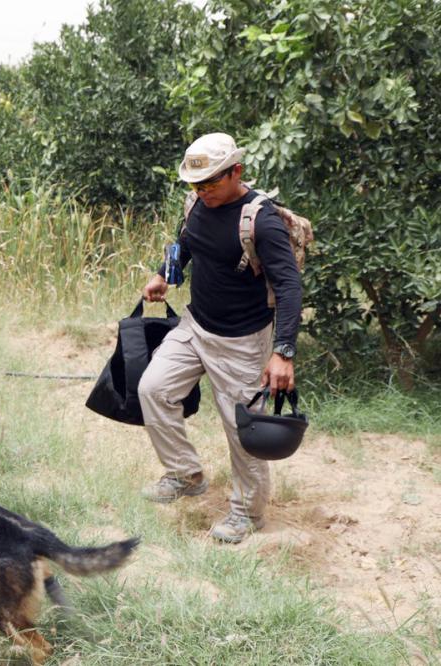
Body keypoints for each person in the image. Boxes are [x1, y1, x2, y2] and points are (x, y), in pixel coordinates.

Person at [138, 132, 302, 543]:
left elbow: (289, 287)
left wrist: (282, 352)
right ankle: (185, 474)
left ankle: (247, 513)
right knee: (153, 389)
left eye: (211, 182)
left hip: (242, 342)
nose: (202, 191)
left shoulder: (260, 220)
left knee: (241, 428)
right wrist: (164, 274)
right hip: (195, 326)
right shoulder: (196, 203)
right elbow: (186, 243)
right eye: (195, 184)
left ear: (237, 172)